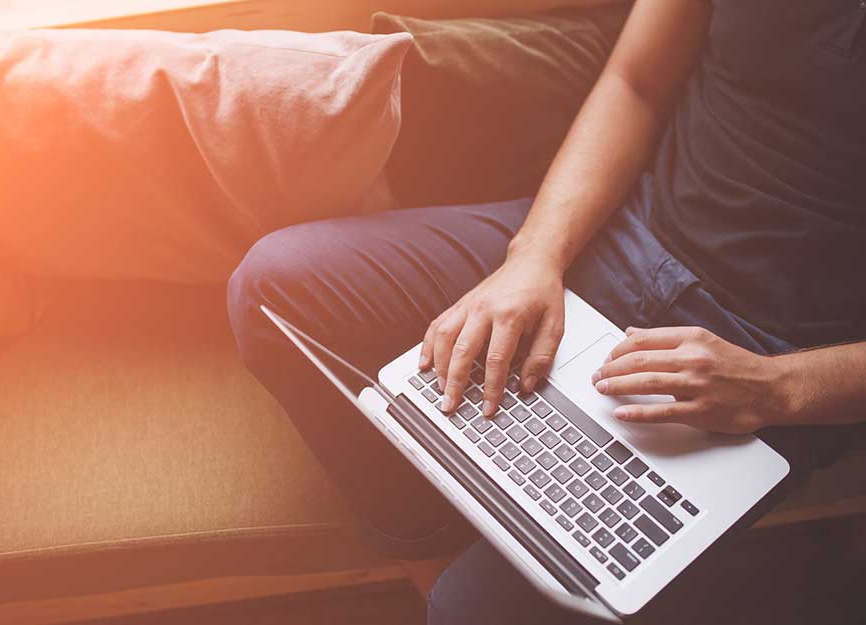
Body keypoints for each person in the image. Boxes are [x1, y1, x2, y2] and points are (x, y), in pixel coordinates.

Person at [228, 0, 866, 622]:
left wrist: (779, 388)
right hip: (621, 231)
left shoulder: (777, 377)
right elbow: (636, 83)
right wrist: (535, 256)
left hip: (773, 352)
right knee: (272, 288)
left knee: (466, 611)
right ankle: (432, 537)